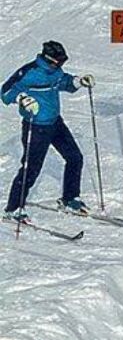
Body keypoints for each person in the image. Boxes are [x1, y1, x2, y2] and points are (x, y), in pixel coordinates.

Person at [2, 40, 94, 220]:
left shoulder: (55, 71)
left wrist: (78, 82)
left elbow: (64, 82)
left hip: (55, 123)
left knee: (75, 157)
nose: (61, 65)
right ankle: (13, 208)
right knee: (31, 168)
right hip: (35, 127)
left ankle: (69, 198)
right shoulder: (29, 72)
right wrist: (22, 99)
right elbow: (5, 92)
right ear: (49, 59)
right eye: (59, 61)